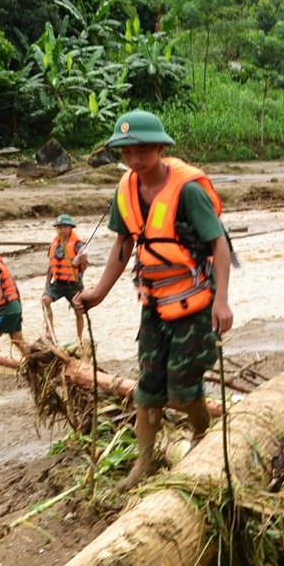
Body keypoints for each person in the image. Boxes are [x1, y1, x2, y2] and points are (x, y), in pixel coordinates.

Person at [74, 110, 234, 492]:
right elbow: (123, 245)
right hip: (154, 305)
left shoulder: (188, 191)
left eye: (142, 150)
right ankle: (143, 464)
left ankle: (200, 433)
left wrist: (222, 301)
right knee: (147, 389)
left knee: (181, 390)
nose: (134, 160)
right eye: (126, 153)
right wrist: (97, 292)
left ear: (160, 147)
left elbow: (219, 243)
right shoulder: (125, 190)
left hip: (195, 305)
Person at [42, 214, 88, 342]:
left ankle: (79, 339)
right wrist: (47, 285)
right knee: (45, 300)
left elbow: (84, 268)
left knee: (79, 311)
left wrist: (81, 259)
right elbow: (51, 266)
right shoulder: (54, 244)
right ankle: (49, 331)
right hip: (58, 282)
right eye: (59, 227)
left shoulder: (78, 245)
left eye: (65, 227)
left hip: (73, 283)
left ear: (71, 228)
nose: (62, 230)